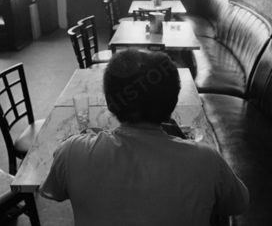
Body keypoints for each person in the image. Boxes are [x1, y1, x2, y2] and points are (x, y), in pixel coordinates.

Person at [40, 49, 249, 226]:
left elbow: (54, 192)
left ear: (110, 103)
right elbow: (238, 204)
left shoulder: (71, 152)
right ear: (172, 103)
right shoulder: (208, 161)